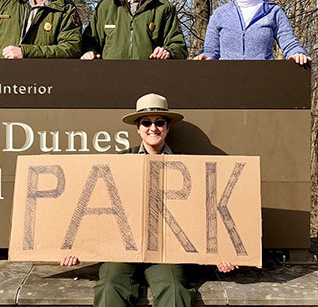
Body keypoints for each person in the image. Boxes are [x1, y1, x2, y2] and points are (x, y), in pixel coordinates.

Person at [60, 93, 236, 307]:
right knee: (109, 288)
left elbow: (203, 211)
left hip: (166, 250)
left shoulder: (187, 166)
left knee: (174, 290)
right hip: (122, 248)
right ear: (138, 128)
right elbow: (94, 205)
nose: (153, 128)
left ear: (168, 127)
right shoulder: (121, 161)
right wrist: (75, 246)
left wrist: (220, 252)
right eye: (146, 123)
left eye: (159, 122)